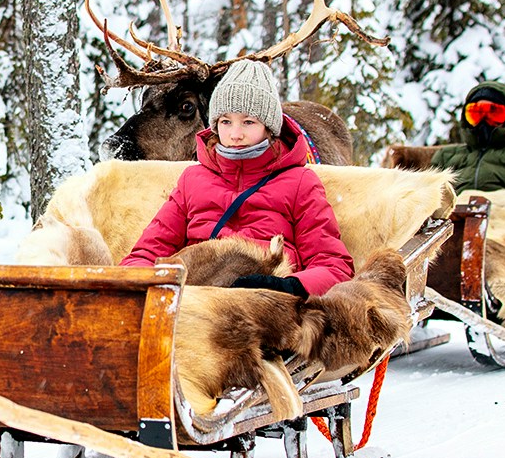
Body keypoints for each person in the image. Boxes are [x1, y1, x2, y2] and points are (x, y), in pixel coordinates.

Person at [119, 58, 353, 297]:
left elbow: (334, 266)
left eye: (248, 122)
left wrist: (288, 287)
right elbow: (145, 254)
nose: (235, 134)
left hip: (267, 308)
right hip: (196, 302)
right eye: (226, 122)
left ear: (269, 127)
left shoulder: (300, 182)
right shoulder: (191, 180)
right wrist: (133, 290)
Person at [430, 81, 505, 239]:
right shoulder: (446, 155)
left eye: (494, 113)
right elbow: (433, 198)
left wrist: (472, 202)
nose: (484, 122)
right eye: (476, 114)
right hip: (450, 230)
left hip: (502, 230)